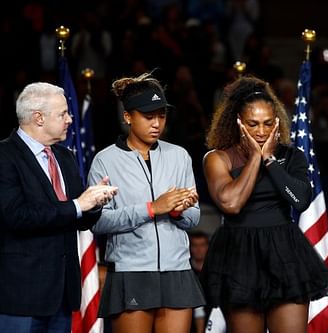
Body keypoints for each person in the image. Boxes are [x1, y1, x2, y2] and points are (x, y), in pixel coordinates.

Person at [201, 75, 328, 333]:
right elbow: (231, 203)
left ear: (277, 123)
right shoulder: (218, 158)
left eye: (267, 124)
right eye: (253, 124)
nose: (261, 132)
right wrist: (254, 158)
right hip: (239, 255)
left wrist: (270, 161)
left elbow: (301, 200)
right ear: (238, 122)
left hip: (285, 253)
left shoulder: (292, 156)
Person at [88, 72, 205, 333]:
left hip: (177, 270)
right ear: (128, 116)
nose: (157, 124)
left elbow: (194, 216)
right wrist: (152, 208)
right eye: (148, 116)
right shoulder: (105, 161)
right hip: (131, 271)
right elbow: (98, 221)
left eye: (161, 116)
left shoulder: (180, 156)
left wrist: (177, 212)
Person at [0, 82, 117, 332]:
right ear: (38, 118)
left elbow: (78, 218)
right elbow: (16, 217)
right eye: (63, 113)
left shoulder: (64, 156)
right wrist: (78, 204)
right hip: (22, 296)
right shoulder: (5, 156)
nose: (70, 119)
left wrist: (94, 203)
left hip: (63, 294)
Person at [188, 230, 210, 333]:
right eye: (195, 245)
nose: (198, 249)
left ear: (208, 247)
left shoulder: (215, 273)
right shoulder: (186, 273)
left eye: (202, 245)